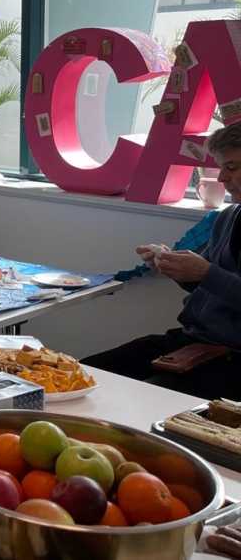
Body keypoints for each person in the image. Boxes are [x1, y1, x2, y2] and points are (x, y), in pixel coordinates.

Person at [82, 122, 241, 400]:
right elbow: (205, 286)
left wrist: (206, 273)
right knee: (80, 376)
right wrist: (176, 269)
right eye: (222, 168)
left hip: (232, 358)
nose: (222, 179)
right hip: (192, 340)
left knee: (136, 401)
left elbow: (211, 278)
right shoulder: (228, 216)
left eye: (232, 167)